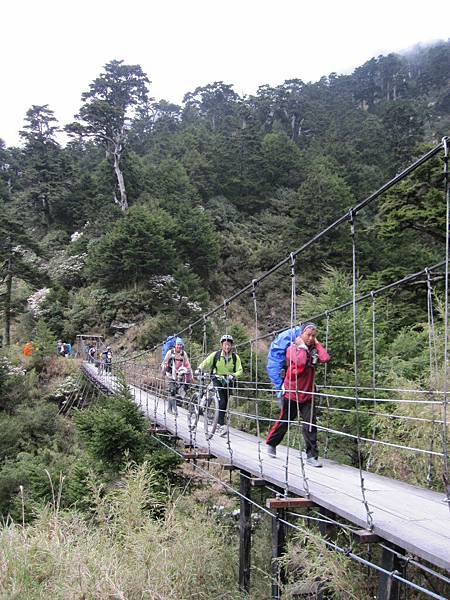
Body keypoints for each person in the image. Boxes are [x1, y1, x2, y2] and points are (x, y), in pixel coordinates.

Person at [265, 322, 330, 467]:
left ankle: (312, 456)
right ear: (301, 335)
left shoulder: (314, 349)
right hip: (291, 393)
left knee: (310, 424)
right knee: (285, 421)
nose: (311, 338)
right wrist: (302, 346)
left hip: (307, 394)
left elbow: (325, 358)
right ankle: (271, 444)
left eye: (313, 335)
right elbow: (300, 362)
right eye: (308, 335)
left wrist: (317, 344)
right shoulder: (292, 348)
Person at [197, 334, 243, 437]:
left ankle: (217, 423)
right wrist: (199, 369)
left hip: (228, 381)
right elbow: (205, 363)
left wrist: (233, 375)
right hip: (217, 379)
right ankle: (221, 425)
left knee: (224, 403)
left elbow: (240, 370)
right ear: (222, 345)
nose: (227, 347)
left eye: (229, 344)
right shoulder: (216, 355)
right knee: (221, 401)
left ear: (231, 346)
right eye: (225, 344)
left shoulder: (235, 357)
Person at [162, 337, 193, 414]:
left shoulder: (183, 354)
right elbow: (164, 362)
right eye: (178, 345)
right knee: (172, 391)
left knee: (173, 392)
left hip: (178, 376)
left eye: (180, 345)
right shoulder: (170, 352)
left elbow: (188, 365)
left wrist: (191, 376)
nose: (179, 346)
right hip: (169, 375)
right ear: (175, 345)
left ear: (182, 346)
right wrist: (164, 369)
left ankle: (169, 409)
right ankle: (175, 410)